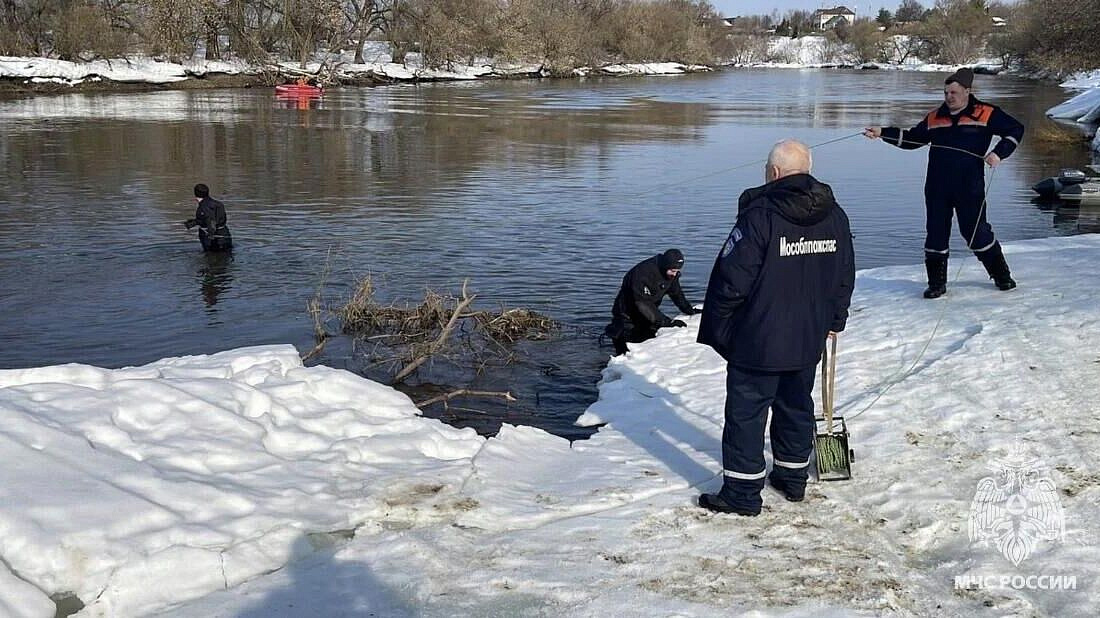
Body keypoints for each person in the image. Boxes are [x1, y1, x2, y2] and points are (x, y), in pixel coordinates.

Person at [696, 140, 855, 516]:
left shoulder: (760, 215)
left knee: (747, 415)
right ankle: (792, 477)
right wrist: (834, 321)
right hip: (807, 336)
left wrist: (720, 329)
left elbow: (730, 280)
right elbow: (844, 274)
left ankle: (742, 493)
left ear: (774, 173)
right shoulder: (836, 214)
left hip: (759, 339)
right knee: (796, 406)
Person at [864, 67, 1024, 298]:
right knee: (936, 233)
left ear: (967, 91)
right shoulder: (935, 116)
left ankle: (1001, 276)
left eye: (953, 93)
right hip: (937, 187)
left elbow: (1015, 129)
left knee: (976, 234)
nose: (949, 97)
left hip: (970, 187)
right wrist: (882, 132)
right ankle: (936, 285)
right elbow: (912, 139)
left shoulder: (986, 113)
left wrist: (999, 153)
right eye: (946, 93)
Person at [604, 248, 697, 356]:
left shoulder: (670, 275)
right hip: (627, 313)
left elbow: (676, 294)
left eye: (677, 271)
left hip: (647, 313)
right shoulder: (643, 273)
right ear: (665, 266)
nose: (674, 274)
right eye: (672, 270)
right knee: (625, 347)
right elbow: (642, 303)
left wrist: (689, 310)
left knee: (646, 340)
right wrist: (666, 322)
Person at [185, 183, 233, 252]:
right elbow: (216, 219)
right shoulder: (218, 204)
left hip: (213, 241)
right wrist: (194, 222)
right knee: (226, 258)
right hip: (225, 236)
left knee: (211, 259)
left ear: (195, 193)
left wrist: (211, 234)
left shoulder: (204, 206)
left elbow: (211, 220)